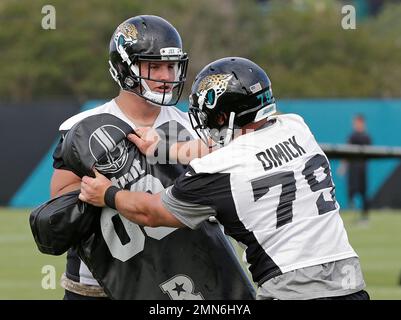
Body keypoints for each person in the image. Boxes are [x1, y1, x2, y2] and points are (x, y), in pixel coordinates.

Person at [79, 57, 370, 300]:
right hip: (351, 284)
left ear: (221, 117)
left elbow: (151, 212)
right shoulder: (296, 127)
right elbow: (235, 145)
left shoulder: (218, 172)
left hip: (291, 290)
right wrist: (162, 148)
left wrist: (107, 193)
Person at [50, 16, 254, 300]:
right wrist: (104, 187)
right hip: (95, 280)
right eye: (154, 66)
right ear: (124, 67)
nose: (166, 76)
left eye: (171, 66)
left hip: (170, 277)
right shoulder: (86, 127)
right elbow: (59, 197)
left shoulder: (192, 125)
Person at [347, 114, 372, 222]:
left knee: (363, 193)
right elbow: (346, 152)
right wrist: (343, 167)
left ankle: (364, 217)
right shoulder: (352, 136)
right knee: (352, 191)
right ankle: (354, 212)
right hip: (353, 169)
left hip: (362, 169)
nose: (356, 125)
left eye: (358, 122)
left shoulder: (367, 137)